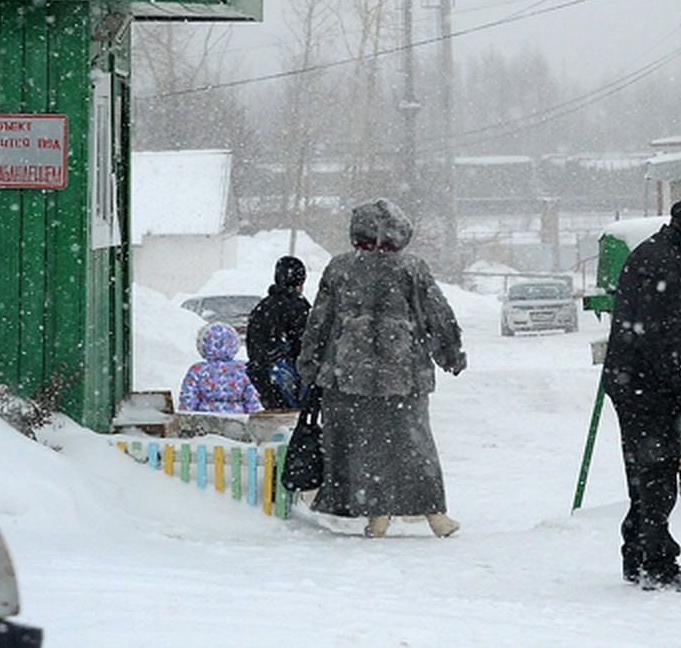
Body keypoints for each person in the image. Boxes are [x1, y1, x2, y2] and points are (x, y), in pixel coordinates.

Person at [297, 198, 467, 538]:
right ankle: (435, 514)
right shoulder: (411, 269)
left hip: (348, 378)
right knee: (413, 445)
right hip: (403, 377)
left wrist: (310, 365)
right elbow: (437, 315)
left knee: (363, 449)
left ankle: (377, 513)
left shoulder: (340, 268)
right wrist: (451, 354)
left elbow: (321, 321)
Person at [602, 199, 681, 592]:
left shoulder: (658, 258)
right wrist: (673, 389)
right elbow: (662, 338)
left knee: (645, 476)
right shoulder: (666, 267)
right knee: (657, 477)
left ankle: (637, 556)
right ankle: (657, 564)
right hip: (648, 389)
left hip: (638, 384)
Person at [246, 255, 312, 409]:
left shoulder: (263, 307)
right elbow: (304, 343)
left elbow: (253, 343)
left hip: (261, 373)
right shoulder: (299, 307)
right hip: (286, 375)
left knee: (275, 418)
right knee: (292, 420)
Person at [178, 322, 263, 414]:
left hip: (204, 423)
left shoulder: (197, 370)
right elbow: (253, 401)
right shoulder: (244, 369)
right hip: (236, 423)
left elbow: (187, 400)